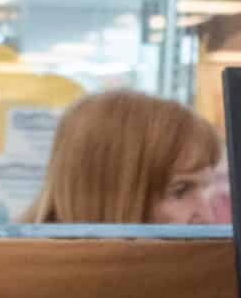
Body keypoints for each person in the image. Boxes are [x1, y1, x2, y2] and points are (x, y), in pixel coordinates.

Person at [26, 88, 225, 225]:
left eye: (205, 188)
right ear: (108, 192)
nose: (207, 216)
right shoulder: (18, 282)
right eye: (180, 191)